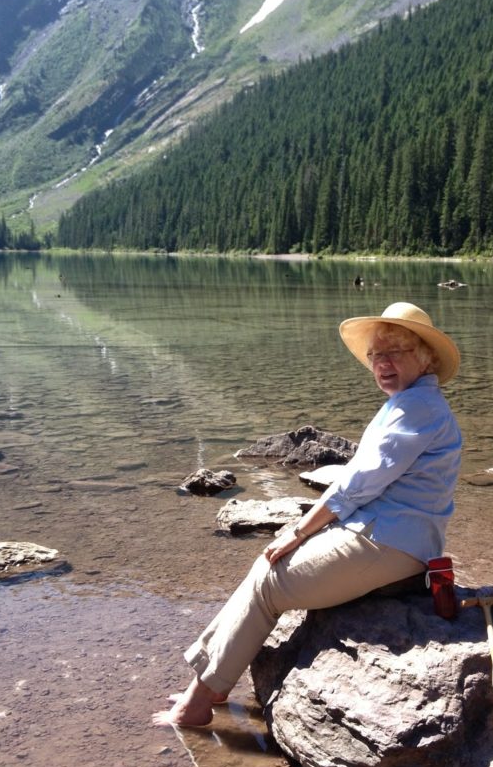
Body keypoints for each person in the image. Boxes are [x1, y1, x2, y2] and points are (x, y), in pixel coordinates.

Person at [153, 301, 463, 728]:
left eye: (396, 352)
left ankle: (197, 705)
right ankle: (212, 684)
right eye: (376, 355)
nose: (382, 363)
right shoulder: (411, 402)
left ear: (425, 358)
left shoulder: (417, 408)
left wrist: (298, 531)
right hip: (388, 537)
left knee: (269, 582)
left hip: (388, 541)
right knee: (267, 567)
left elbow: (360, 483)